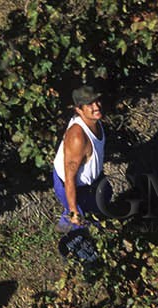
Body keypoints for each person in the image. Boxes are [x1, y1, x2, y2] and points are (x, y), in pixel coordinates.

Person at [51, 85, 106, 232]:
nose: (96, 107)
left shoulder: (94, 120)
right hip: (69, 185)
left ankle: (66, 222)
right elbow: (69, 179)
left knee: (104, 196)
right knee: (80, 224)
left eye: (97, 101)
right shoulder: (78, 138)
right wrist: (74, 211)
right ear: (78, 110)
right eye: (89, 104)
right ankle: (72, 228)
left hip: (87, 183)